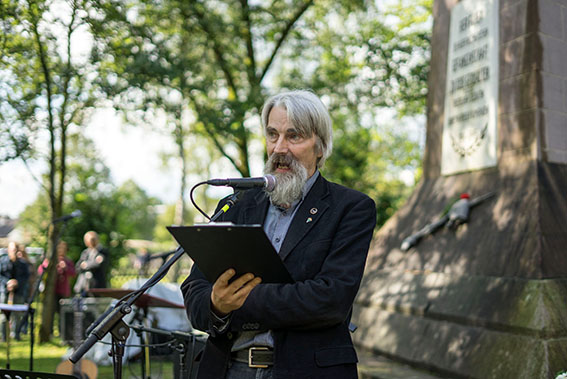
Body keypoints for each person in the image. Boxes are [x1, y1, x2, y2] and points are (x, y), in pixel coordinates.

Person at [181, 90, 377, 379]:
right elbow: (195, 289)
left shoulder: (350, 208)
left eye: (294, 136)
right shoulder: (237, 205)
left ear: (320, 147)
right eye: (273, 135)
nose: (279, 148)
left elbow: (330, 300)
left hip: (306, 371)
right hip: (228, 369)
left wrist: (238, 299)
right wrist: (215, 304)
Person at [38, 240, 76, 333]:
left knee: (62, 313)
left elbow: (73, 273)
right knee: (50, 312)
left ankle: (62, 332)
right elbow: (40, 270)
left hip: (63, 290)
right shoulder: (50, 260)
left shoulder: (68, 261)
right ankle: (49, 331)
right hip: (52, 291)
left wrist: (65, 268)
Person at [0, 241, 30, 340]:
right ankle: (4, 336)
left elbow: (26, 277)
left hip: (18, 291)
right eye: (12, 250)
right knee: (4, 315)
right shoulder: (3, 261)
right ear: (8, 250)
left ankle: (16, 334)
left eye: (15, 250)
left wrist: (16, 282)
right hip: (5, 291)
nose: (14, 252)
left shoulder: (22, 264)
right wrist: (7, 283)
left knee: (17, 315)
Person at [73, 231, 108, 295]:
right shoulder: (85, 253)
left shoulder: (103, 252)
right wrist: (90, 264)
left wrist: (85, 264)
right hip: (84, 286)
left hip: (97, 287)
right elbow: (77, 267)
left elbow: (97, 265)